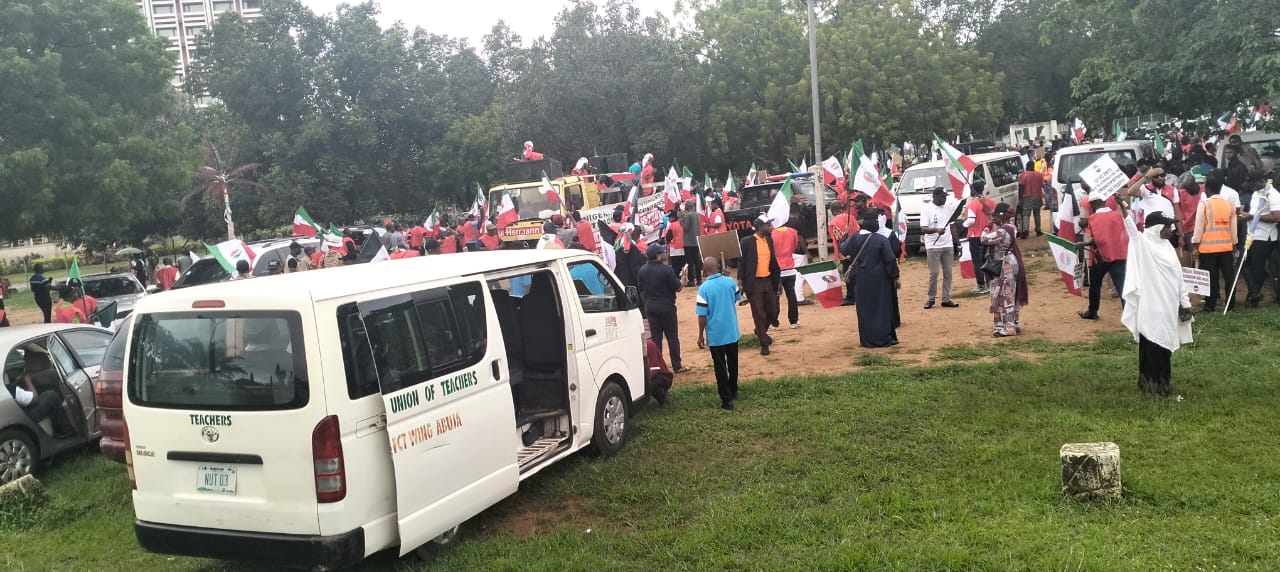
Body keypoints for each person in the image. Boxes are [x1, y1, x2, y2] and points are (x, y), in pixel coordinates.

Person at [1119, 200, 1194, 396]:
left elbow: (1178, 277)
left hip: (1168, 305)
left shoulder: (1167, 247)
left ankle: (1160, 383)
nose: (1170, 230)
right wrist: (1123, 206)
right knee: (1151, 344)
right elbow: (1132, 230)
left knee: (1164, 344)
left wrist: (1185, 302)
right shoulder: (1143, 243)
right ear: (1155, 228)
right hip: (1151, 306)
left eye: (1170, 226)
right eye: (1166, 226)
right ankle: (1153, 384)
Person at [838, 212, 900, 348]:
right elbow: (890, 259)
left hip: (860, 280)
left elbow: (843, 249)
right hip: (880, 280)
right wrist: (895, 276)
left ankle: (867, 340)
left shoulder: (854, 238)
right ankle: (884, 338)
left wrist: (845, 235)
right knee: (881, 308)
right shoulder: (881, 239)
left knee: (864, 309)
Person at [695, 256, 742, 410]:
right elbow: (737, 297)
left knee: (720, 367)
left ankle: (726, 400)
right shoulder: (729, 282)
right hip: (731, 330)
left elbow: (702, 315)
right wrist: (728, 279)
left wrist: (700, 335)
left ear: (704, 270)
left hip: (715, 334)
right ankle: (733, 390)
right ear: (719, 267)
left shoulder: (703, 288)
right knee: (733, 362)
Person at [1077, 191, 1129, 320]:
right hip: (1119, 255)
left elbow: (1098, 240)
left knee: (1095, 284)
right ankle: (1129, 314)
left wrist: (1084, 244)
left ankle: (1092, 311)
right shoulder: (1117, 215)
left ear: (1093, 204)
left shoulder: (1093, 218)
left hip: (1101, 257)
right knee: (1122, 286)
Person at [638, 244, 688, 373]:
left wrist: (647, 302)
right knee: (672, 337)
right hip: (666, 307)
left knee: (656, 338)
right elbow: (678, 287)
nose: (665, 253)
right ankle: (677, 366)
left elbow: (641, 290)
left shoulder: (642, 270)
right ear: (658, 256)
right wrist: (683, 280)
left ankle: (658, 367)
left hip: (650, 307)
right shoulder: (666, 270)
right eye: (662, 252)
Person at [1192, 171, 1239, 312]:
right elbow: (1233, 228)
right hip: (1226, 247)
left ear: (1207, 189)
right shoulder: (1229, 205)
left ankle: (1210, 305)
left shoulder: (1204, 204)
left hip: (1208, 249)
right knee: (1229, 277)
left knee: (1211, 278)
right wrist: (1234, 243)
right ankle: (1230, 304)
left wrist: (1196, 244)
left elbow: (1199, 227)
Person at [981, 203, 1029, 336]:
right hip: (1012, 262)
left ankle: (1006, 327)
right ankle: (1014, 323)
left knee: (1002, 295)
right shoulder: (1012, 227)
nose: (993, 218)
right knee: (1011, 293)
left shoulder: (1003, 232)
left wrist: (986, 227)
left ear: (1001, 216)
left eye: (995, 216)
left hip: (1003, 264)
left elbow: (983, 239)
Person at [738, 215, 781, 355]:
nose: (770, 227)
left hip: (768, 280)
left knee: (773, 311)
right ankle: (764, 343)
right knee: (758, 313)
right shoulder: (747, 242)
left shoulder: (769, 240)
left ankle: (760, 330)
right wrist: (740, 281)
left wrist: (778, 282)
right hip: (754, 282)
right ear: (759, 227)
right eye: (767, 225)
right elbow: (742, 262)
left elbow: (773, 262)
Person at [1244, 170, 1280, 306]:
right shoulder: (1256, 193)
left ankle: (1254, 296)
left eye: (1252, 183)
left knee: (1256, 267)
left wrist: (1255, 217)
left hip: (1265, 237)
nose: (1250, 186)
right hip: (1253, 234)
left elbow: (1277, 217)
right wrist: (1247, 216)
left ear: (1260, 181)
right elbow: (1254, 212)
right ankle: (1254, 292)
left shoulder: (1273, 194)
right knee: (1246, 265)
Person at [921, 187, 960, 309]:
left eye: (945, 197)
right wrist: (936, 230)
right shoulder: (927, 209)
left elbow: (952, 226)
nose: (945, 199)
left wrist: (957, 243)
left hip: (948, 245)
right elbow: (924, 228)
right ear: (935, 196)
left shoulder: (948, 208)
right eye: (943, 197)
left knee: (948, 273)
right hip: (933, 246)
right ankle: (931, 299)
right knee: (934, 273)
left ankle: (946, 298)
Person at [4, 369, 73, 437]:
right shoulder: (9, 389)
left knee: (45, 390)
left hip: (18, 414)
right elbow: (34, 398)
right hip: (27, 416)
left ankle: (56, 427)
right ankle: (65, 430)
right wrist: (28, 381)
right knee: (51, 395)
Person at [771, 215, 805, 328]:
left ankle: (774, 323)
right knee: (791, 295)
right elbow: (795, 247)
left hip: (777, 270)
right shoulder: (793, 232)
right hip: (790, 268)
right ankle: (794, 321)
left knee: (775, 297)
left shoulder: (772, 234)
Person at [963, 180, 996, 293]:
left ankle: (981, 285)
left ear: (972, 190)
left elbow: (971, 221)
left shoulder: (971, 205)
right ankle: (990, 282)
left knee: (977, 261)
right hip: (989, 235)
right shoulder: (990, 202)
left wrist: (964, 224)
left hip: (975, 236)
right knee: (988, 259)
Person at [828, 200, 859, 305]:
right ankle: (858, 294)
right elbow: (858, 230)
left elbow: (839, 238)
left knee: (847, 274)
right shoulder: (851, 217)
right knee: (856, 273)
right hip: (856, 249)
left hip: (844, 252)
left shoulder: (834, 223)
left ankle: (851, 297)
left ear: (832, 210)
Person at [1017, 160, 1045, 237]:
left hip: (1027, 197)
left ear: (1027, 167)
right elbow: (1043, 185)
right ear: (1033, 166)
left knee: (1026, 214)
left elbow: (1021, 187)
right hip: (1037, 196)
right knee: (1037, 214)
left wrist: (1020, 198)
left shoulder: (1023, 175)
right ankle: (1038, 230)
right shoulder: (1039, 175)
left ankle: (1025, 230)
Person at [680, 200, 703, 286]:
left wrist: (681, 219)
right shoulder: (696, 214)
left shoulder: (689, 215)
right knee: (697, 261)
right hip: (696, 241)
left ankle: (691, 281)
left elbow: (685, 228)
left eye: (685, 205)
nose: (684, 207)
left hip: (689, 242)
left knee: (690, 262)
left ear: (688, 206)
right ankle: (699, 280)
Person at [665, 208, 687, 279]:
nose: (669, 219)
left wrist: (667, 243)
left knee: (675, 267)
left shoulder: (672, 225)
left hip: (674, 249)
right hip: (683, 247)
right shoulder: (682, 223)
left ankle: (677, 280)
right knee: (682, 266)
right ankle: (683, 279)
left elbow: (668, 237)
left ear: (674, 218)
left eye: (670, 217)